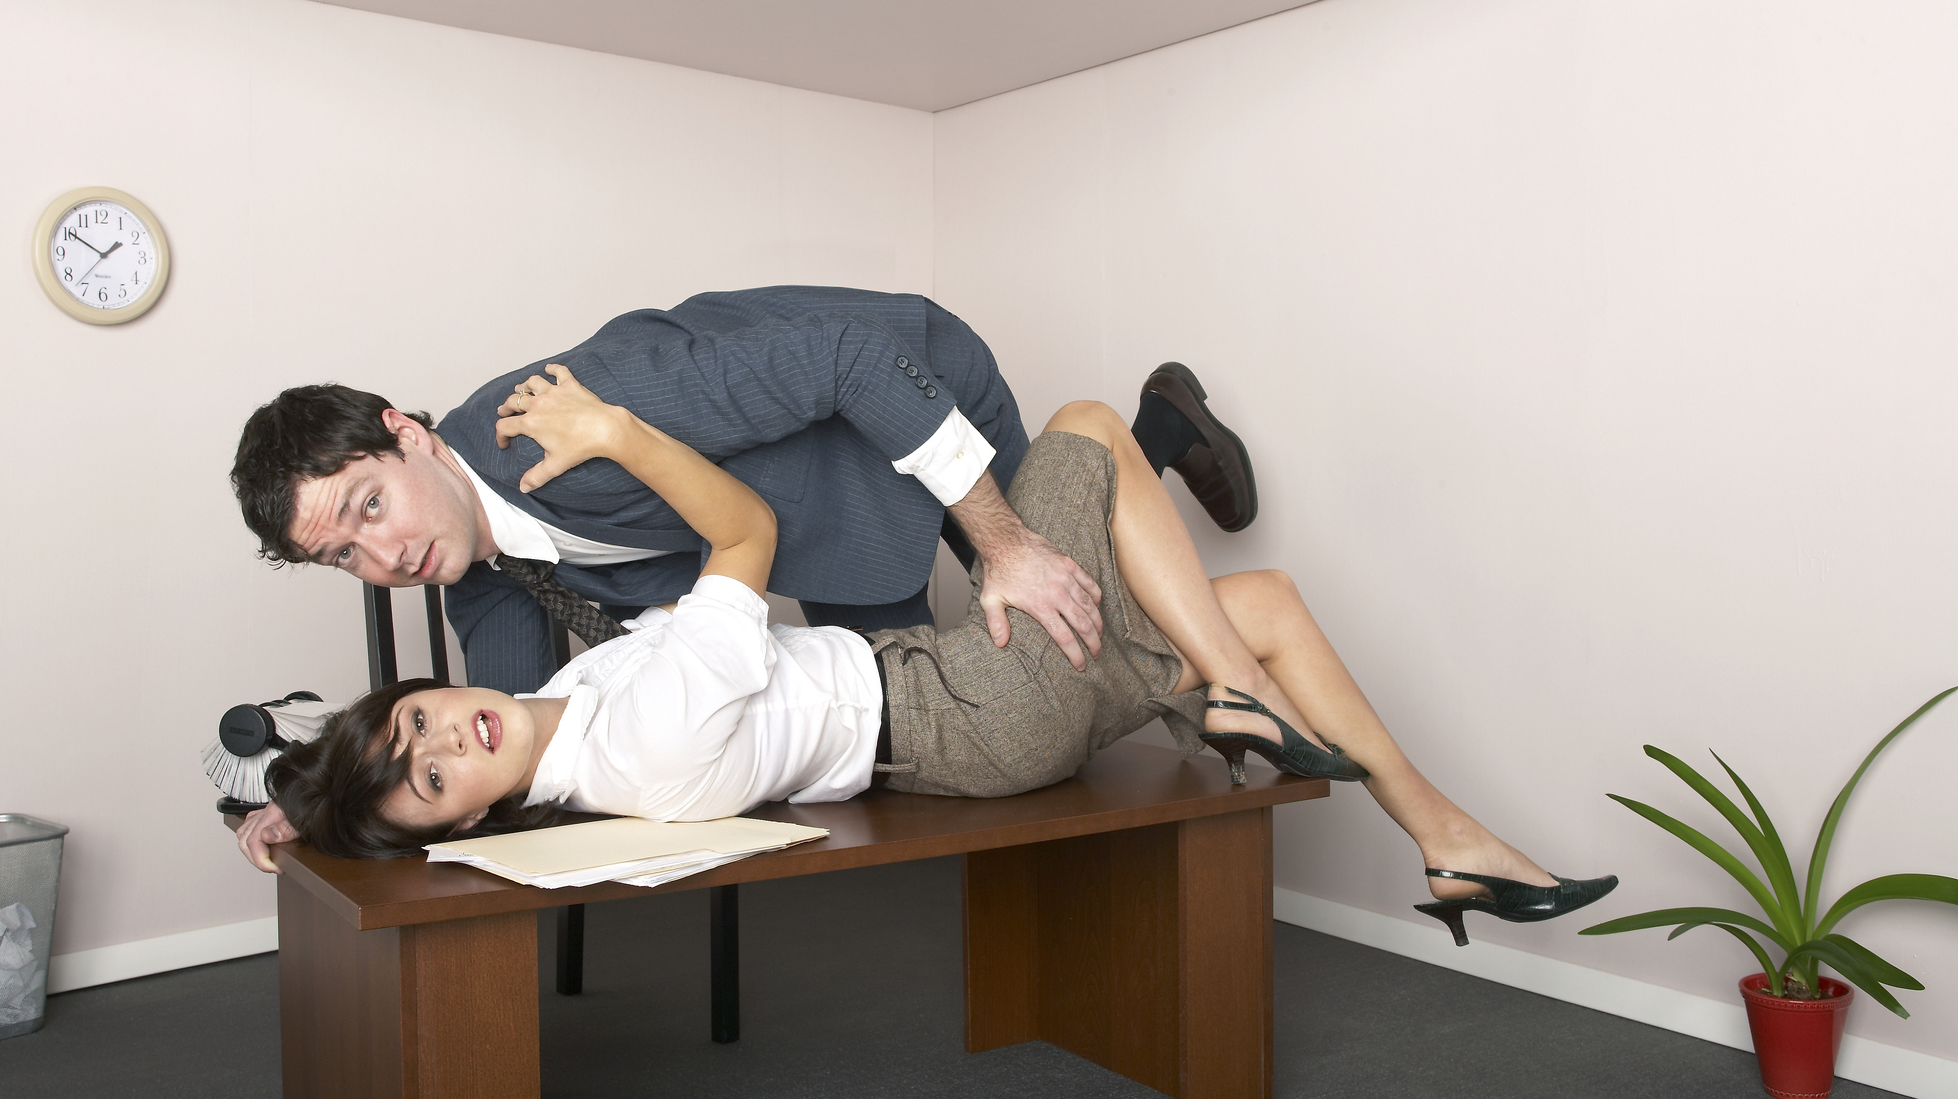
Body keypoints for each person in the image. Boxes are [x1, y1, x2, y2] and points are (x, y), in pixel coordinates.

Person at [235, 364, 1614, 945]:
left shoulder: (565, 712)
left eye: (417, 723)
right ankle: (1235, 702)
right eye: (426, 780)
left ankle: (1445, 836)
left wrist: (305, 810)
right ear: (464, 820)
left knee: (1259, 597)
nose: (443, 741)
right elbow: (746, 528)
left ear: (431, 687)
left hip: (951, 713)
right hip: (968, 701)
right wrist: (613, 434)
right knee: (1086, 420)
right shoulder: (637, 728)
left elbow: (427, 737)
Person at [230, 286, 1257, 695]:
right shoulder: (479, 567)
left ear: (405, 435)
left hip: (903, 385)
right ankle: (1143, 449)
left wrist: (1005, 543)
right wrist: (316, 807)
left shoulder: (575, 410)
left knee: (1069, 599)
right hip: (825, 518)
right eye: (343, 556)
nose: (382, 558)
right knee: (975, 691)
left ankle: (1153, 428)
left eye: (369, 506)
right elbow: (508, 726)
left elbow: (851, 357)